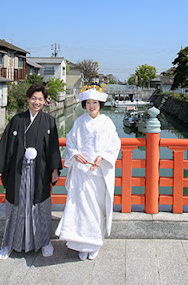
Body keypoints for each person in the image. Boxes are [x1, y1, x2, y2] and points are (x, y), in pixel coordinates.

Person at [0, 83, 62, 260]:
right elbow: (6, 146)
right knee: (15, 207)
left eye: (40, 99)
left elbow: (53, 148)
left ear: (45, 102)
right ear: (28, 99)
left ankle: (44, 242)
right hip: (17, 171)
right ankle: (9, 244)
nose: (37, 102)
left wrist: (54, 169)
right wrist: (0, 168)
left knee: (40, 207)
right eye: (34, 98)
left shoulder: (49, 121)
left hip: (40, 172)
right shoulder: (17, 120)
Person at [55, 84, 121, 260]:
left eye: (95, 102)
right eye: (88, 102)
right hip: (81, 172)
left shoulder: (107, 122)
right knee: (80, 207)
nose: (91, 106)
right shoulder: (79, 122)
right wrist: (75, 154)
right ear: (84, 104)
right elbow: (70, 141)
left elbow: (114, 144)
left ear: (100, 104)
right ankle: (80, 244)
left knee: (95, 208)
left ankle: (95, 242)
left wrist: (102, 156)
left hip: (98, 172)